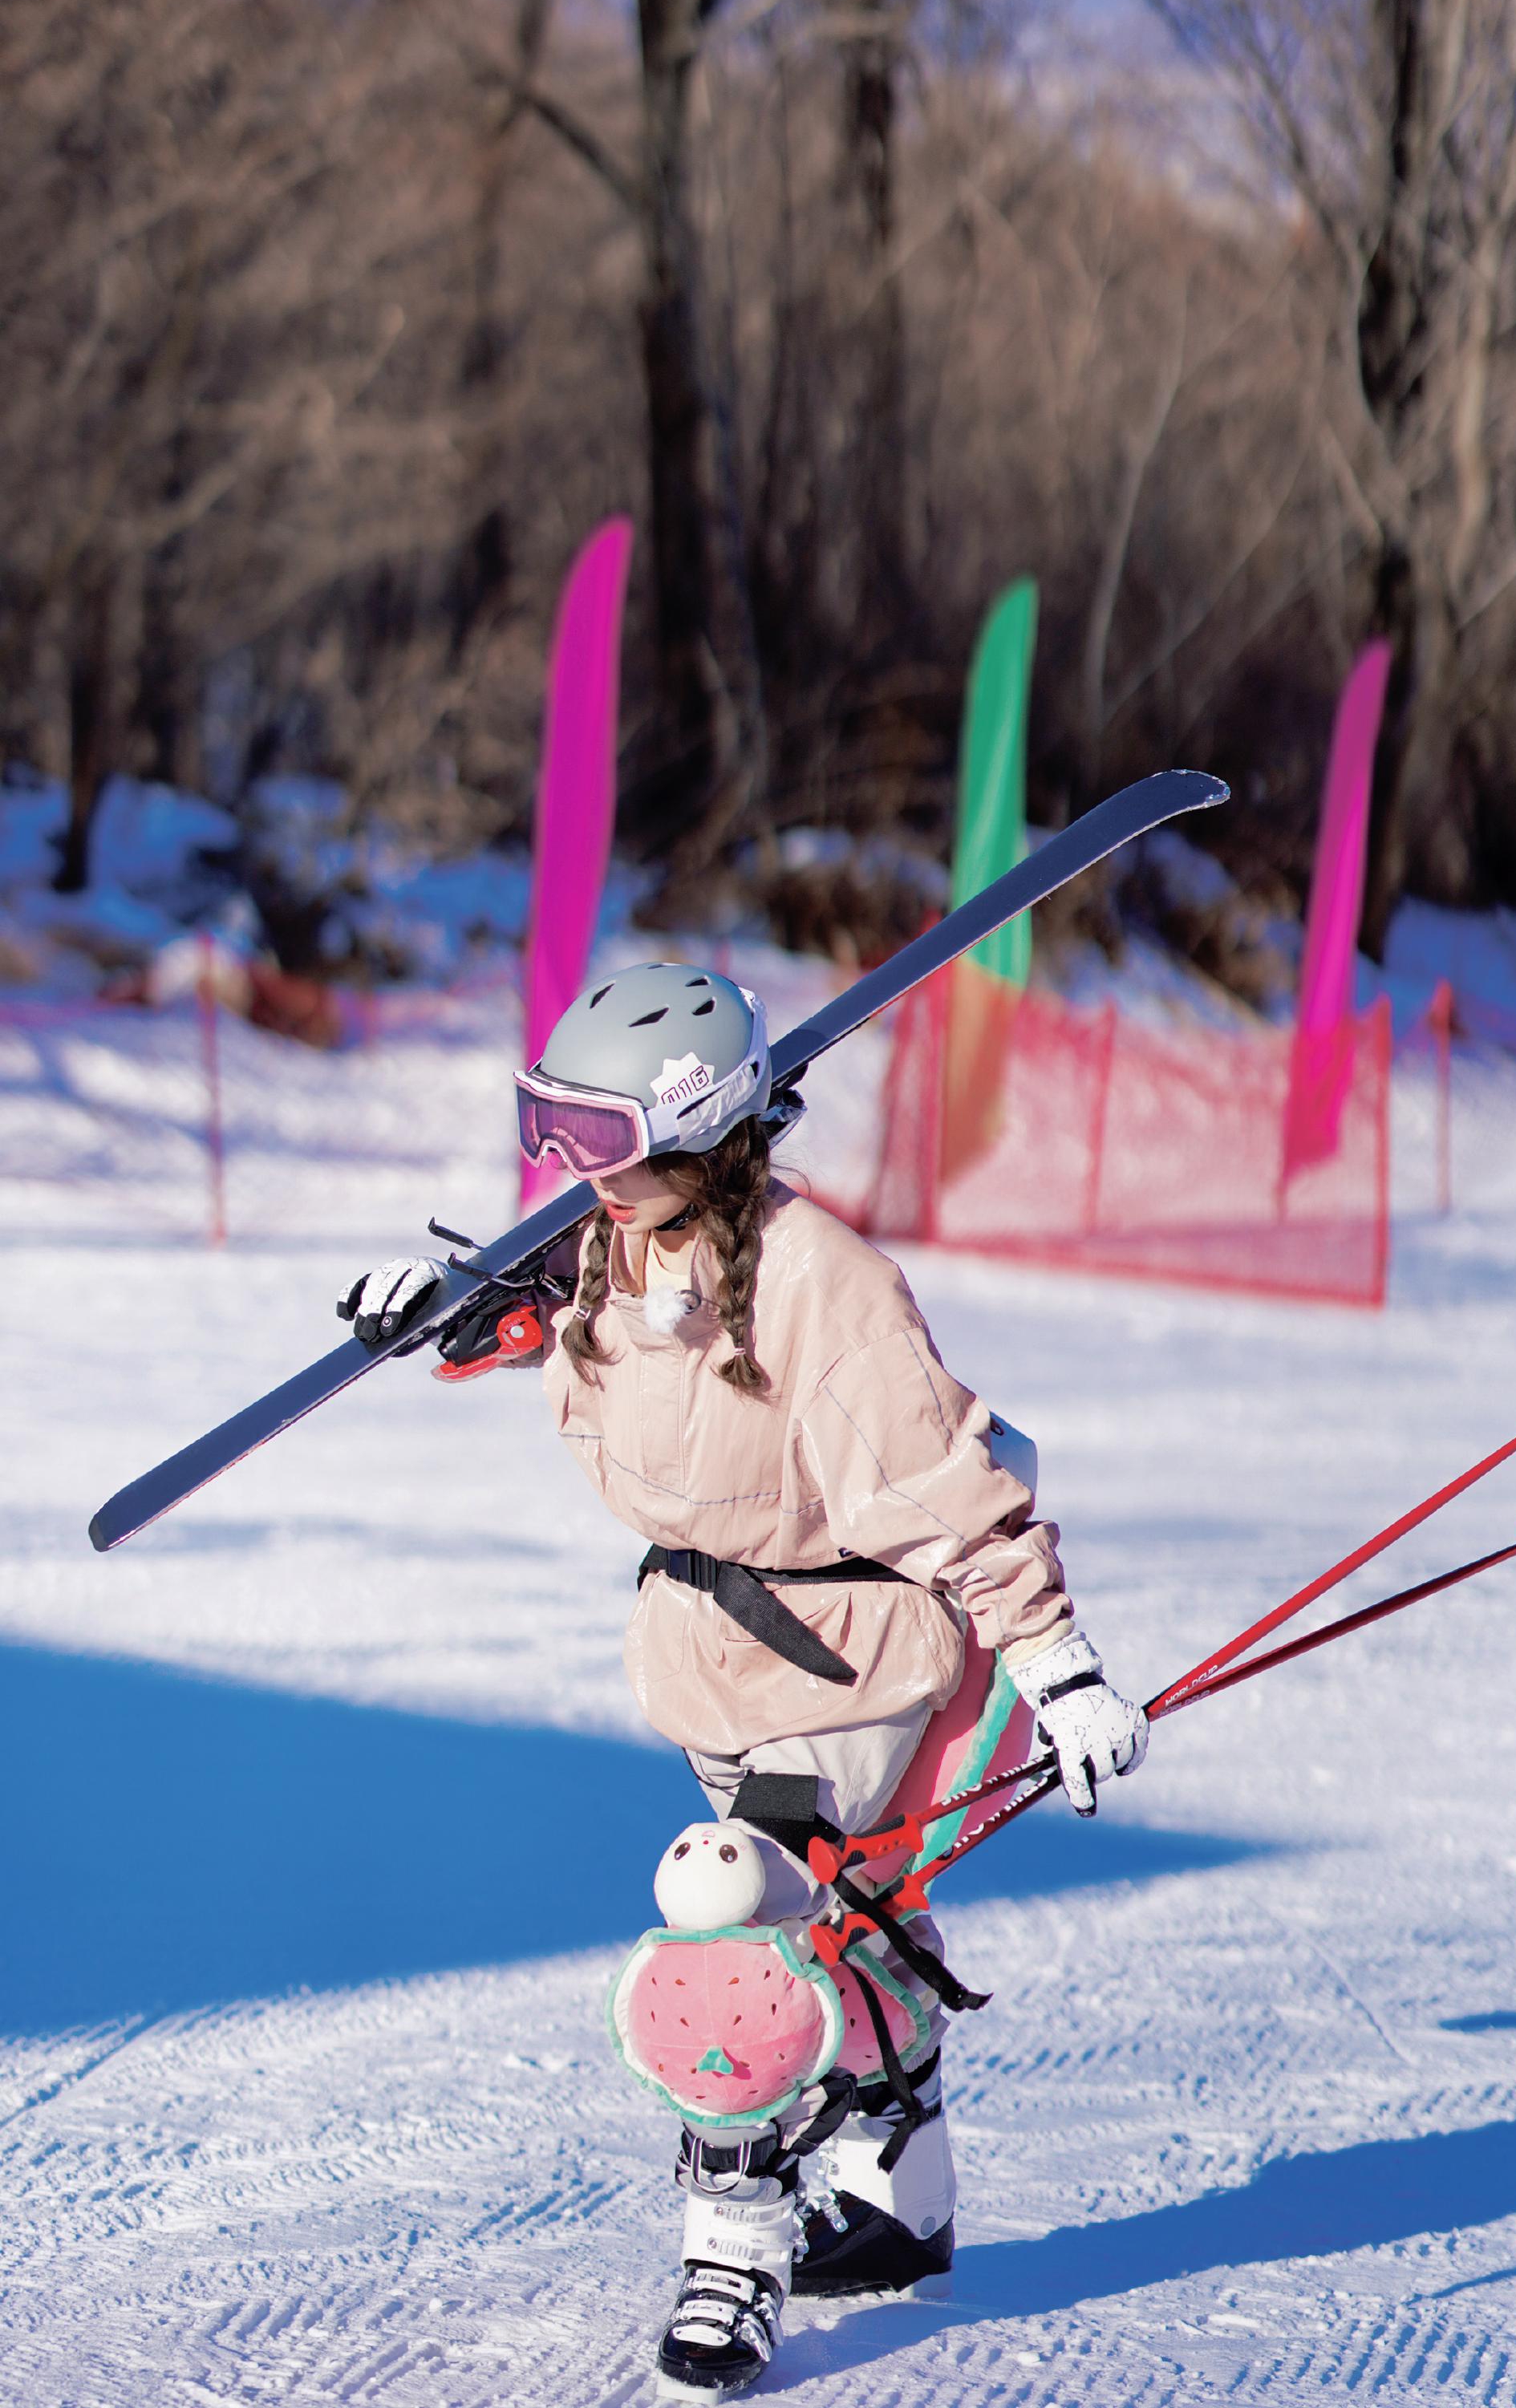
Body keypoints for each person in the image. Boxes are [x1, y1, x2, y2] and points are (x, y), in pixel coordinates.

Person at [340, 961, 1149, 2400]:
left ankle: (735, 2248)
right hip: (713, 1659)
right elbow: (559, 1319)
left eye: (592, 1137)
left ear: (698, 1125)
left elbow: (948, 1489)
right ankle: (902, 2197)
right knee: (841, 1920)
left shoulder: (822, 1286)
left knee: (729, 1934)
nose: (565, 1168)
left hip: (844, 1668)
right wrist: (445, 1306)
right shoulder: (615, 1241)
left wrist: (1059, 1662)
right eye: (549, 1128)